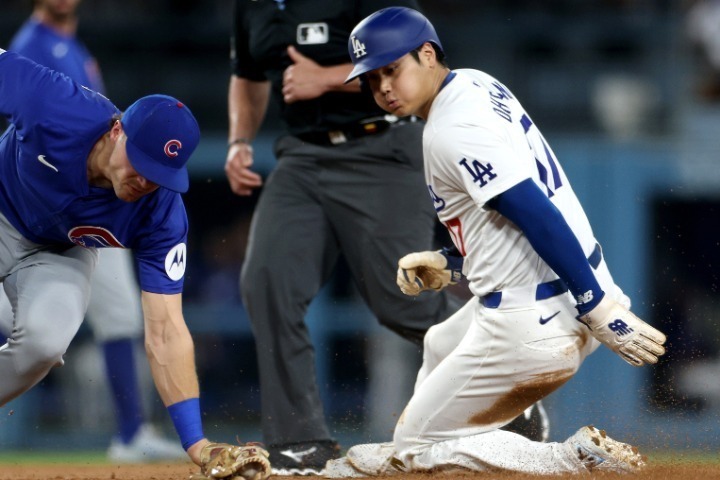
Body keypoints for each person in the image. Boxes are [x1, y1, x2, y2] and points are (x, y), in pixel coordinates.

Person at [321, 7, 668, 476]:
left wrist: (599, 308)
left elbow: (533, 211)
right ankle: (511, 431)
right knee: (442, 341)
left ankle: (570, 460)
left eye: (392, 69)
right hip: (560, 286)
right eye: (372, 78)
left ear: (427, 54)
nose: (382, 87)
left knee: (414, 449)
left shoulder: (451, 130)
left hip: (535, 319)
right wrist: (451, 261)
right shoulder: (474, 83)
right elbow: (511, 219)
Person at [225, 1, 547, 475]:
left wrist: (330, 77)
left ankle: (509, 392)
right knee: (266, 284)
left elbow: (414, 54)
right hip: (300, 158)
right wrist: (239, 140)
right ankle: (299, 442)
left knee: (403, 299)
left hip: (380, 148)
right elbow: (247, 75)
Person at [0, 48, 271, 480]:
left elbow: (166, 330)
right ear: (115, 131)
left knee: (45, 344)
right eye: (142, 162)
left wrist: (197, 445)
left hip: (56, 252)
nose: (146, 180)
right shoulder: (56, 104)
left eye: (161, 173)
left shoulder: (161, 214)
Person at [4, 0, 185, 462]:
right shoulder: (36, 45)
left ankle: (131, 431)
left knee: (92, 323)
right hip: (35, 196)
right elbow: (27, 109)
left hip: (90, 213)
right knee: (103, 316)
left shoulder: (71, 45)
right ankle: (130, 432)